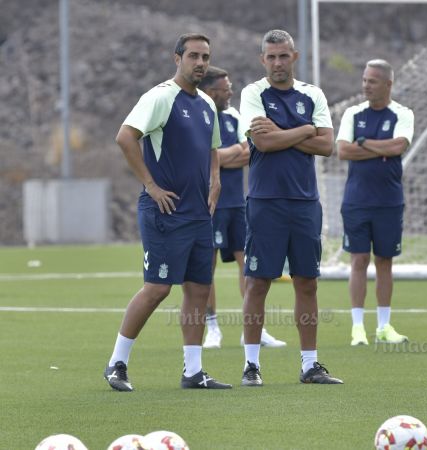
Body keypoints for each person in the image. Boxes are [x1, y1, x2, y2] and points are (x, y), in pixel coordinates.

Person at [104, 33, 232, 391]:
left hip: (198, 214)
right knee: (157, 288)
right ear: (177, 58)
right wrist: (150, 185)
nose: (200, 62)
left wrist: (216, 178)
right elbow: (125, 137)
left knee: (198, 290)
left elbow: (213, 147)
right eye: (193, 55)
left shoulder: (207, 103)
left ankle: (193, 372)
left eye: (205, 56)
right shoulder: (161, 96)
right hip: (165, 211)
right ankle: (116, 364)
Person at [238, 29, 343, 386]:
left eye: (284, 56)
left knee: (308, 283)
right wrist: (305, 130)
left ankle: (310, 365)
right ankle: (251, 365)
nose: (278, 63)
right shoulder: (253, 93)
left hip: (304, 202)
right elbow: (263, 144)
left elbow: (327, 145)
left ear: (294, 57)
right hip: (266, 201)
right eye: (271, 57)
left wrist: (284, 130)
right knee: (257, 283)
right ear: (262, 59)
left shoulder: (312, 93)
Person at [198, 66, 286, 350]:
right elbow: (198, 159)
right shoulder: (198, 115)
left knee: (249, 267)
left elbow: (248, 153)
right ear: (212, 92)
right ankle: (212, 328)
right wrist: (228, 154)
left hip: (238, 204)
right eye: (226, 89)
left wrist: (216, 157)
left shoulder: (235, 116)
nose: (231, 92)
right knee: (205, 268)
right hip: (208, 205)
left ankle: (254, 329)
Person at [336, 59, 415, 346]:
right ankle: (358, 327)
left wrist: (365, 143)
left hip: (389, 201)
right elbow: (343, 150)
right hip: (356, 200)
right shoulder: (353, 114)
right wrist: (378, 148)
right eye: (364, 80)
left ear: (388, 84)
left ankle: (384, 326)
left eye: (372, 81)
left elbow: (397, 147)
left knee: (385, 262)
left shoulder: (402, 114)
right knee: (358, 260)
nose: (366, 85)